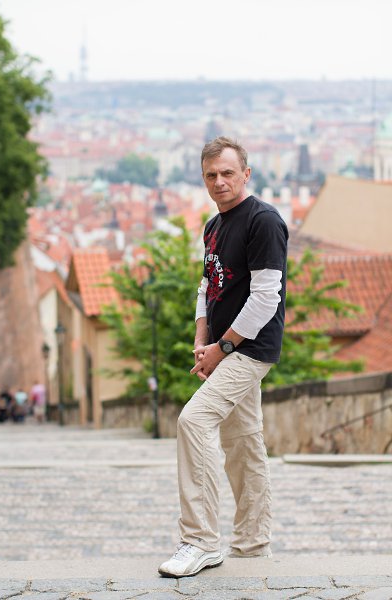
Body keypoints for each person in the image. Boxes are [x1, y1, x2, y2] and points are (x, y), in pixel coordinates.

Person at [158, 137, 288, 578]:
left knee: (193, 422)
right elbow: (208, 287)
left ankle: (200, 541)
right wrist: (203, 338)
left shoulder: (263, 221)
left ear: (246, 174)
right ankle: (252, 546)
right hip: (225, 347)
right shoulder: (214, 225)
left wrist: (223, 348)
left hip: (249, 350)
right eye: (211, 175)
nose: (220, 181)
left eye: (228, 173)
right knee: (243, 443)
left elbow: (266, 297)